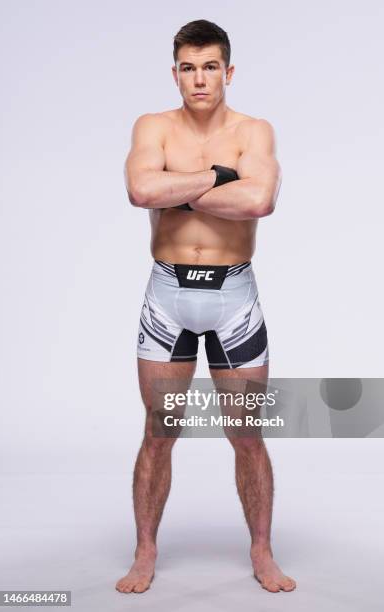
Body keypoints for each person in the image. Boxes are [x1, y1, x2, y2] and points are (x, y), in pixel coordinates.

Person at [116, 19, 296, 595]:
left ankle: (262, 552)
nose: (199, 79)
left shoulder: (254, 131)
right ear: (176, 73)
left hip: (233, 299)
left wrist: (181, 186)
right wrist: (220, 178)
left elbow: (260, 199)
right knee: (159, 429)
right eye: (188, 68)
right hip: (167, 297)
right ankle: (145, 552)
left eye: (210, 66)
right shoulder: (153, 126)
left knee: (247, 434)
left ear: (228, 71)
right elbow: (141, 192)